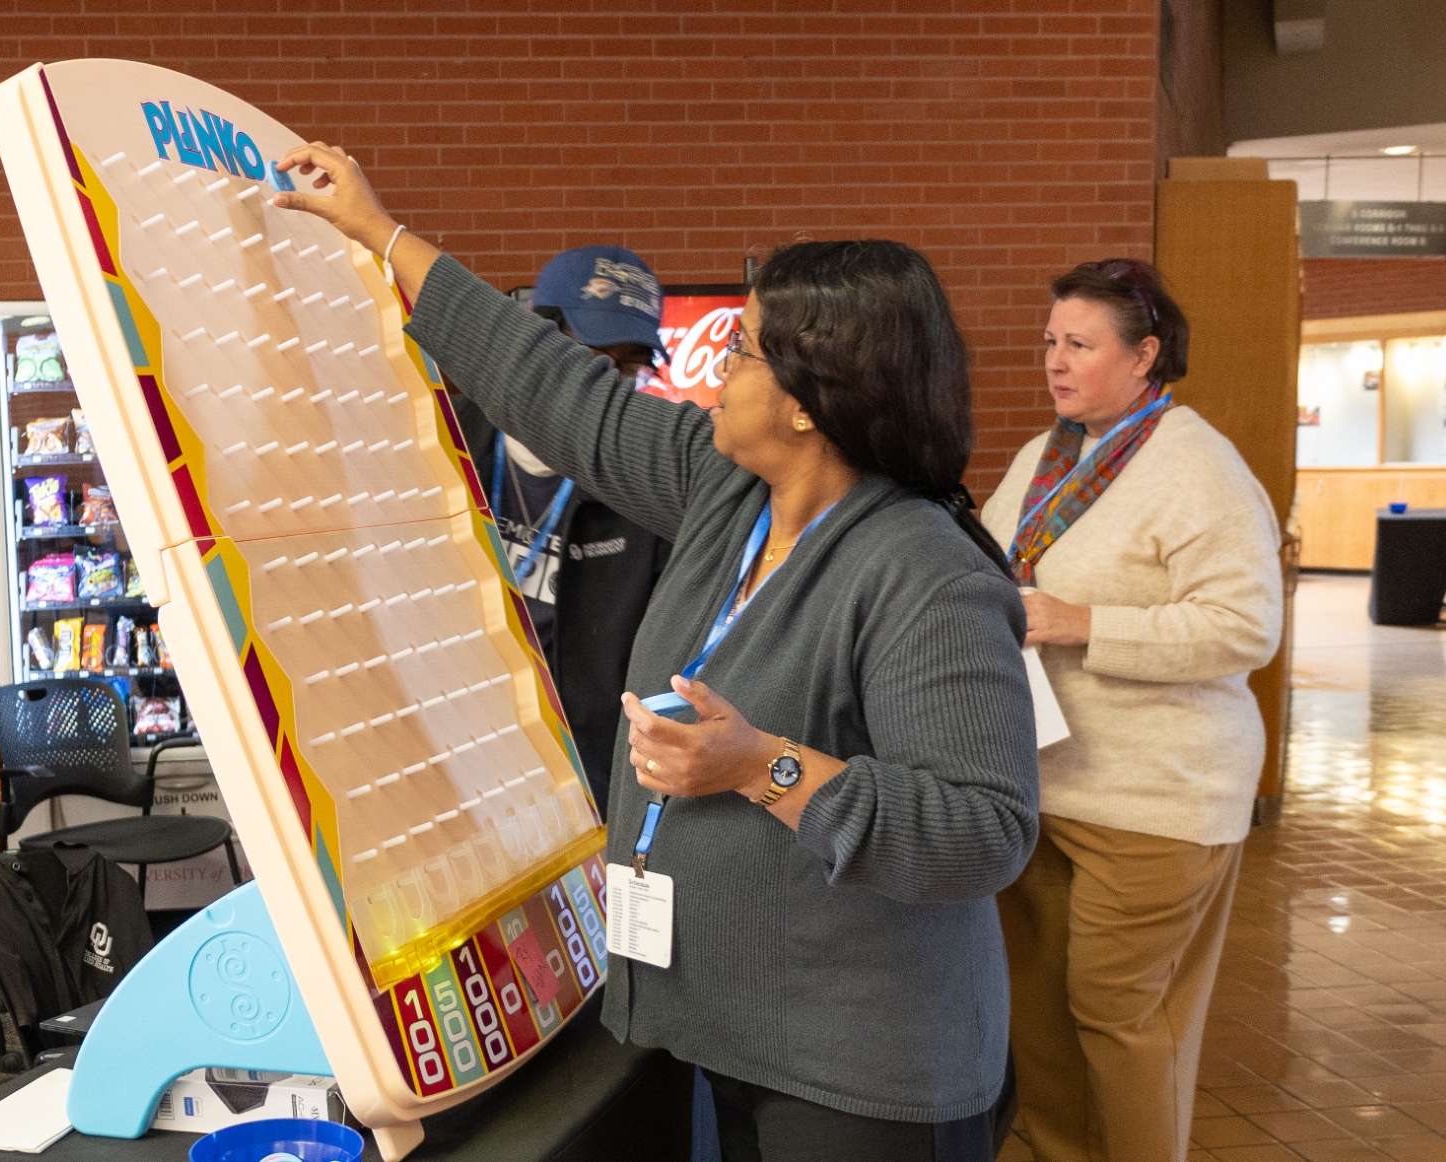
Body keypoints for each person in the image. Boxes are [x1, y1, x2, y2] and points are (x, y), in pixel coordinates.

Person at [274, 144, 1038, 1162]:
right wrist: (381, 233)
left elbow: (983, 831)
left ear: (811, 400)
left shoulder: (922, 571)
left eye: (742, 355)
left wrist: (761, 766)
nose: (709, 373)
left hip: (866, 1074)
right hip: (728, 1032)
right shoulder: (724, 490)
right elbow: (550, 388)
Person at [977, 259, 1283, 1162]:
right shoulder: (1049, 454)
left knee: (1116, 1013)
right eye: (1049, 342)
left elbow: (1243, 628)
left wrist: (1082, 624)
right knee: (1036, 1009)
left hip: (1158, 797)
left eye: (1080, 344)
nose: (1055, 362)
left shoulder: (1198, 465)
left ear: (1147, 355)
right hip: (1047, 779)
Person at [453, 246, 674, 816]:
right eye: (591, 357)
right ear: (536, 338)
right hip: (452, 759)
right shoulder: (442, 442)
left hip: (583, 787)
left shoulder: (650, 493)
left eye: (626, 367)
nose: (606, 386)